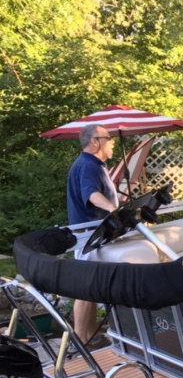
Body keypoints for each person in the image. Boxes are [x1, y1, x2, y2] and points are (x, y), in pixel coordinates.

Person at [66, 123, 119, 345]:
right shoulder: (88, 165)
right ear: (95, 142)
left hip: (92, 233)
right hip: (88, 235)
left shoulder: (94, 165)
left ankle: (91, 335)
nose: (113, 142)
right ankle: (80, 340)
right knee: (85, 287)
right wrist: (114, 210)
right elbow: (92, 195)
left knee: (91, 287)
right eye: (108, 138)